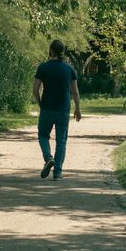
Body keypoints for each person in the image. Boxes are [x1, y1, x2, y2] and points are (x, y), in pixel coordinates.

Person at [32, 39, 81, 180]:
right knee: (61, 141)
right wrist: (77, 109)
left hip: (47, 108)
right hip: (63, 110)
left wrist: (40, 102)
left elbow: (35, 89)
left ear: (51, 50)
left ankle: (48, 158)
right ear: (63, 52)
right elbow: (75, 92)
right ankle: (58, 172)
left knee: (43, 136)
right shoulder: (69, 69)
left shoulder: (43, 67)